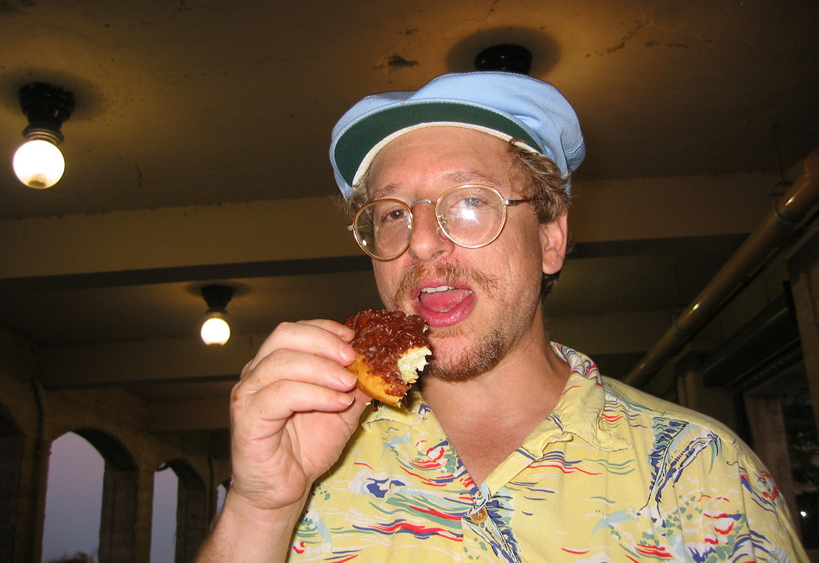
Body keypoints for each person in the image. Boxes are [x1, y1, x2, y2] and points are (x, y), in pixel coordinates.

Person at [197, 72, 807, 562]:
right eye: (393, 213)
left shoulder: (700, 470)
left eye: (469, 201)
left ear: (550, 239)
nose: (422, 243)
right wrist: (260, 508)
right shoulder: (308, 465)